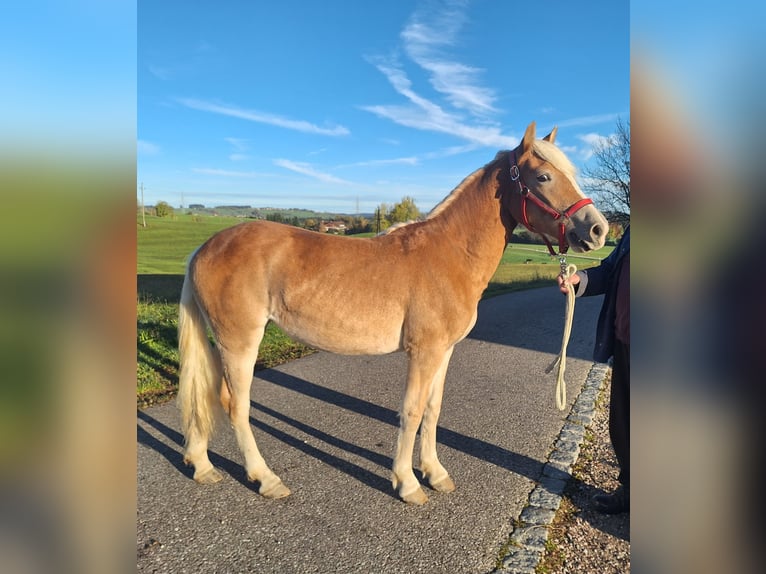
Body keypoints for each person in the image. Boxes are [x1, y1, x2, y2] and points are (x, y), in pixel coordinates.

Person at [558, 224, 630, 514]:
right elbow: (610, 271)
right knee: (624, 425)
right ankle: (632, 492)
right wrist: (578, 280)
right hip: (626, 341)